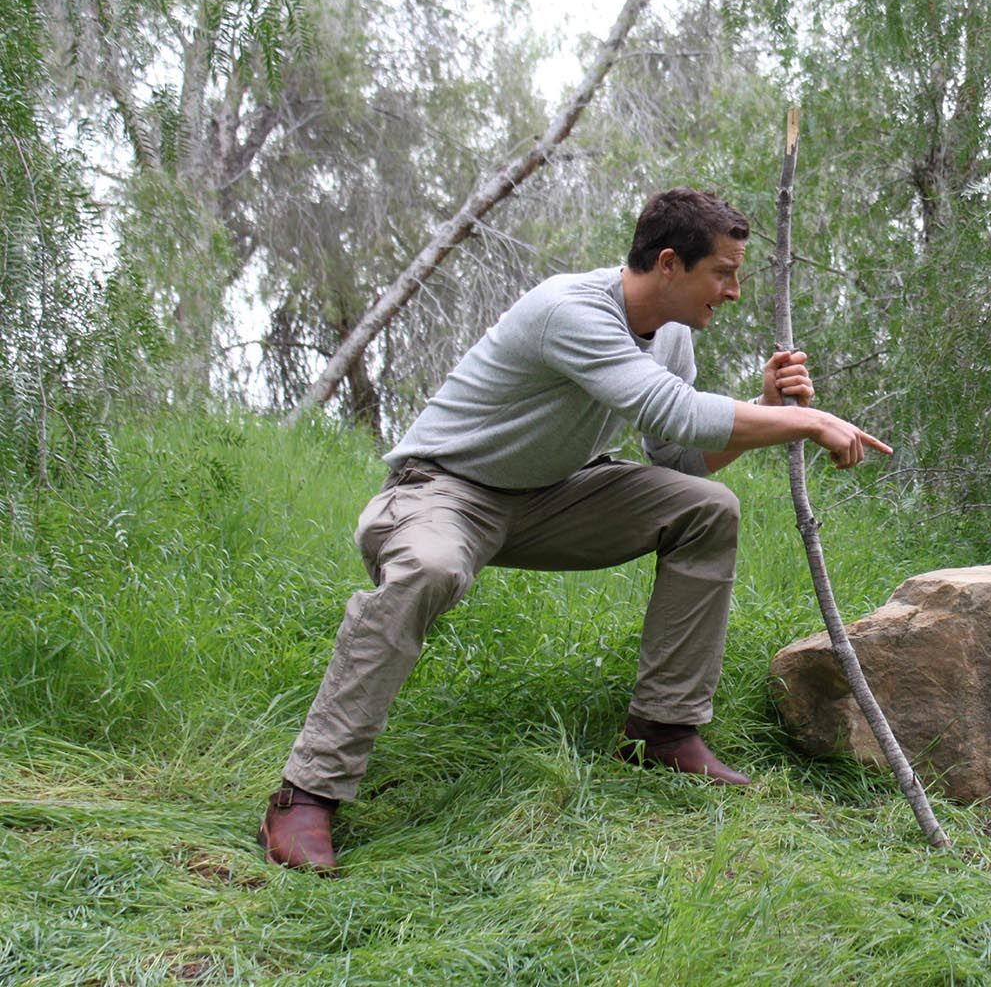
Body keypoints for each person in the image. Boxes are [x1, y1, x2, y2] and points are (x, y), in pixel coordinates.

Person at [260, 187, 889, 873]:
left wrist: (766, 409)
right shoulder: (570, 310)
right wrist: (808, 421)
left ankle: (663, 731)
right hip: (445, 491)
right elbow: (671, 410)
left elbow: (677, 453)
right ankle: (308, 791)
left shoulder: (671, 333)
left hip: (554, 495)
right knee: (431, 569)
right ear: (671, 264)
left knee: (706, 507)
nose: (734, 291)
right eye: (724, 272)